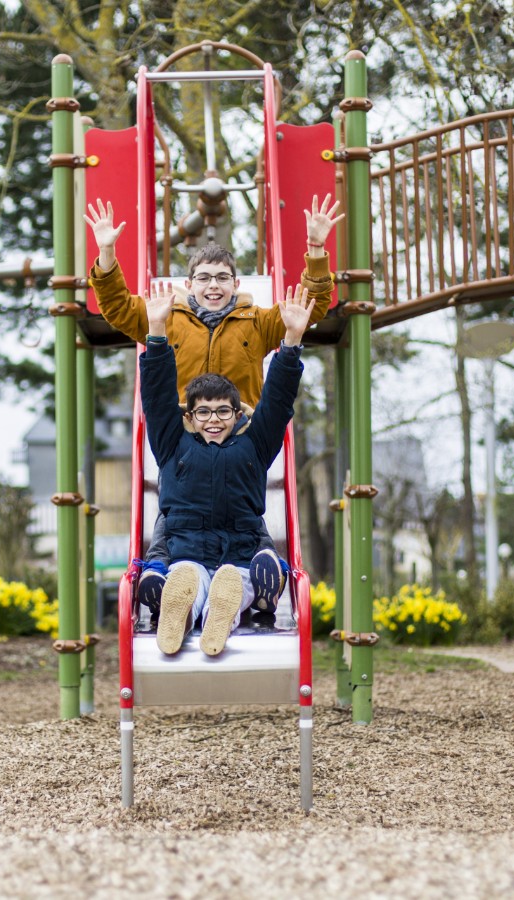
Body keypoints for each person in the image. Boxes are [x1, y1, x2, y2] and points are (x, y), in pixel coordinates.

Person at [85, 195, 343, 623]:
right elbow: (113, 306)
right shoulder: (167, 316)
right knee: (179, 511)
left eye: (222, 278)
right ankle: (167, 583)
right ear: (189, 284)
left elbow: (308, 310)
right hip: (185, 437)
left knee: (241, 511)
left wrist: (316, 250)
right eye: (204, 277)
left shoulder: (256, 322)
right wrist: (107, 253)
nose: (213, 286)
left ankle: (253, 581)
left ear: (235, 284)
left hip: (241, 438)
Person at [139, 278, 315, 657]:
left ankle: (220, 611)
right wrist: (156, 332)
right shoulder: (172, 444)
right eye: (203, 411)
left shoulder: (254, 444)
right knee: (189, 579)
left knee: (233, 582)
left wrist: (292, 341)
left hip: (240, 553)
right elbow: (155, 398)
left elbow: (278, 400)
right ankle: (180, 615)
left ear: (238, 414)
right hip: (187, 553)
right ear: (190, 414)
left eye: (223, 411)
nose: (213, 419)